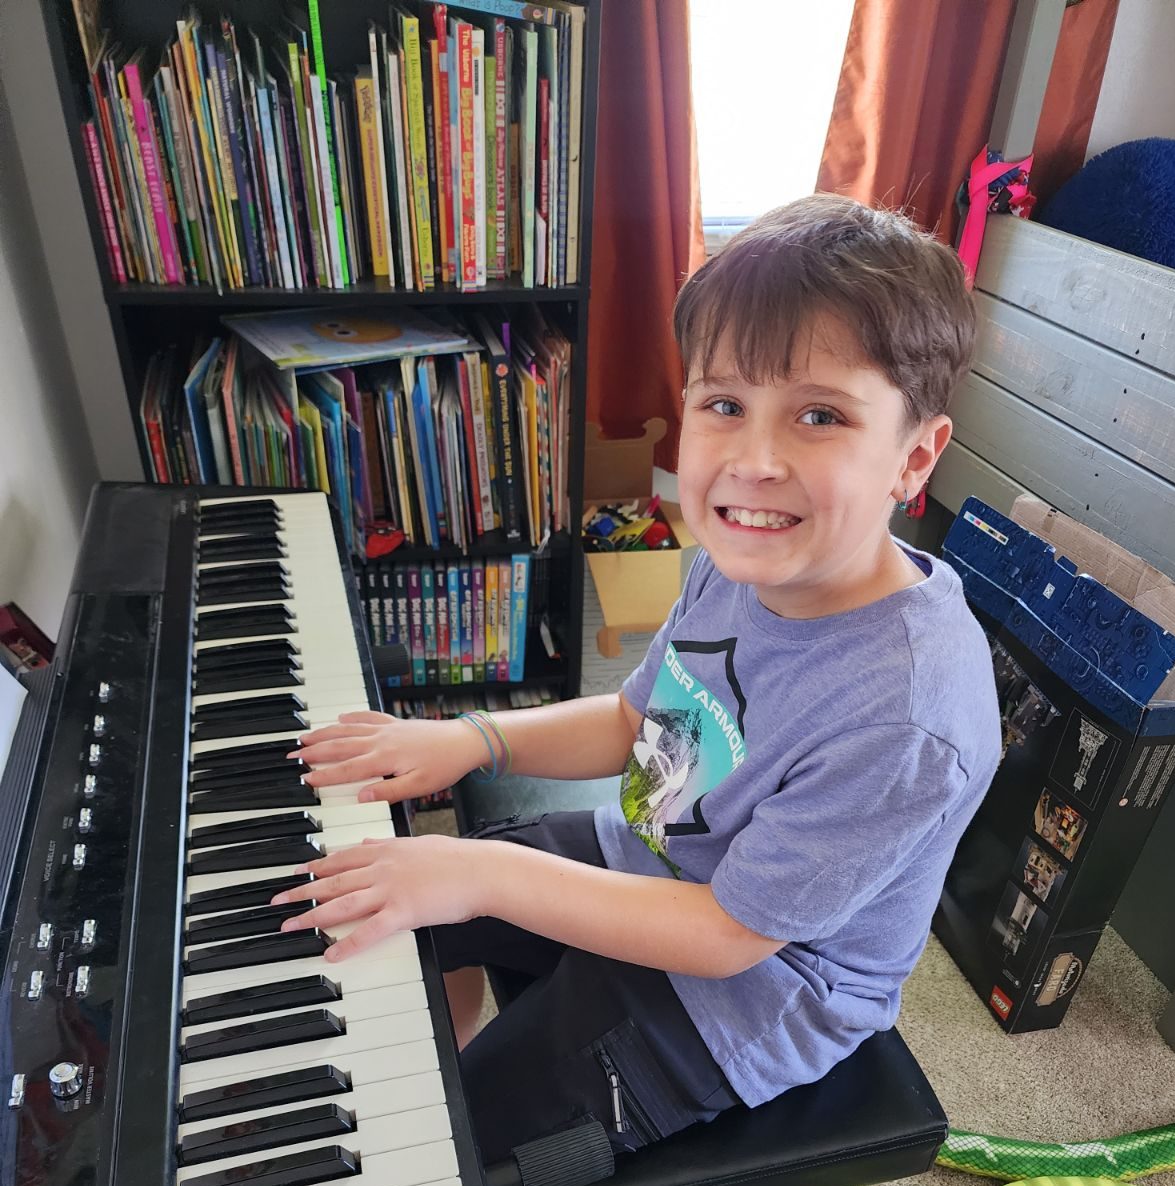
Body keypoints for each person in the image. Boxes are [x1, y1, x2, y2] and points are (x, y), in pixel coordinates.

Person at [272, 194, 1003, 1164]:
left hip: (745, 997)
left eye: (820, 415)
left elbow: (729, 936)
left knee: (453, 1141)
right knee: (412, 915)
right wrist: (470, 739)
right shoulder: (739, 561)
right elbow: (635, 721)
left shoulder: (908, 715)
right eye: (724, 405)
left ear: (914, 458)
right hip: (651, 853)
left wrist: (483, 874)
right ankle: (432, 1058)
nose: (754, 462)